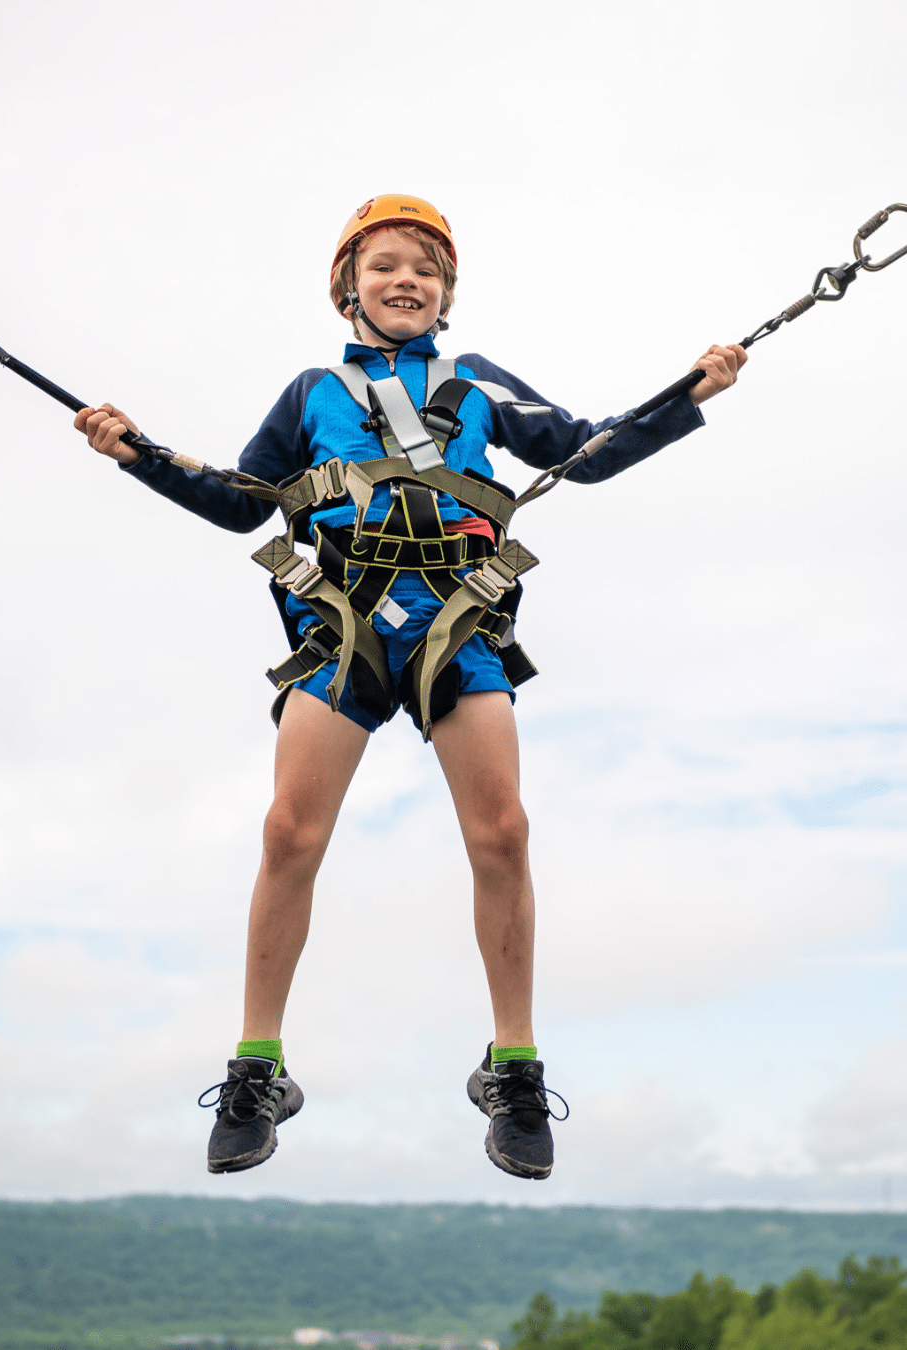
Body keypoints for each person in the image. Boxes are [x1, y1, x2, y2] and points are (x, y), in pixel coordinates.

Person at [74, 195, 745, 1181]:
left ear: (446, 297)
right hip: (342, 622)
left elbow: (582, 453)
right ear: (347, 287)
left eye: (426, 270)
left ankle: (512, 1069)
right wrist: (133, 450)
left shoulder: (474, 385)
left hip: (457, 620)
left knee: (502, 831)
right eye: (385, 264)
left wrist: (688, 394)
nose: (406, 280)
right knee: (288, 832)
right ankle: (257, 1067)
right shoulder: (312, 396)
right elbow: (235, 502)